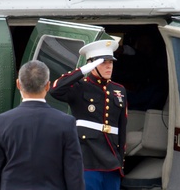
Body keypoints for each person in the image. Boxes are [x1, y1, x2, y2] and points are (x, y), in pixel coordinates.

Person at [0, 60, 85, 190]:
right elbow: (74, 174)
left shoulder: (1, 122)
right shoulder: (66, 122)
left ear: (18, 84)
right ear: (47, 86)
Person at [50, 39, 128, 190]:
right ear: (91, 65)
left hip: (111, 161)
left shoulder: (119, 90)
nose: (108, 66)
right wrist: (82, 70)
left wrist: (120, 161)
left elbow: (122, 129)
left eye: (110, 63)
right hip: (87, 160)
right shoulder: (80, 87)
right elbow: (55, 90)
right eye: (103, 62)